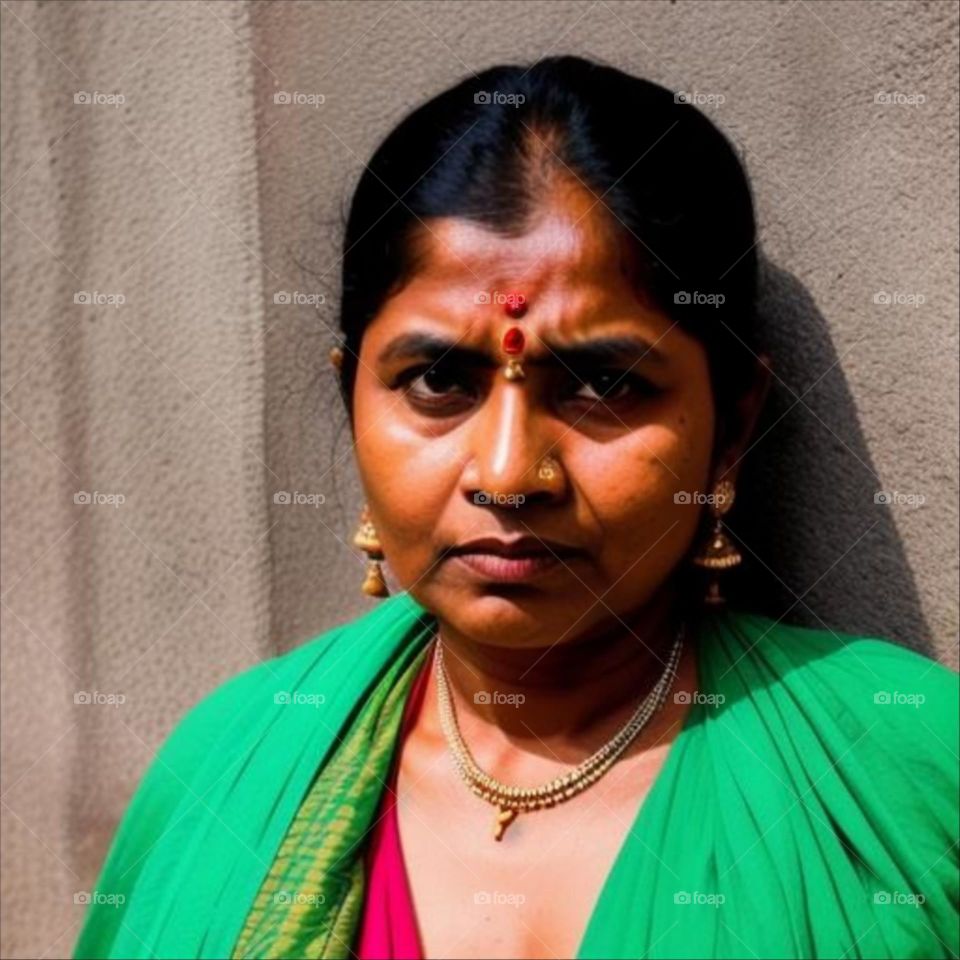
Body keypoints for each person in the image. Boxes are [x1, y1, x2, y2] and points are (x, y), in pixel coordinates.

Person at [74, 55, 958, 960]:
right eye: (436, 380)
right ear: (352, 402)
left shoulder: (910, 779)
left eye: (603, 384)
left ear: (729, 428)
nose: (507, 473)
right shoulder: (225, 773)